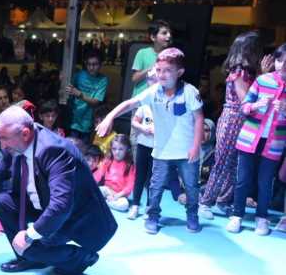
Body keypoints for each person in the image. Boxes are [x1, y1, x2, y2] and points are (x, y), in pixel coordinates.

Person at [0, 105, 117, 275]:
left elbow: (61, 206)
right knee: (2, 202)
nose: (2, 145)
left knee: (41, 254)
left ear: (25, 133)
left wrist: (29, 236)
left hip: (74, 217)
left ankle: (82, 258)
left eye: (4, 139)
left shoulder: (54, 150)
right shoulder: (16, 144)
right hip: (45, 206)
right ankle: (30, 257)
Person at [97, 48, 204, 235]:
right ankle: (153, 215)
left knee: (192, 185)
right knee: (155, 186)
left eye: (167, 70)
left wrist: (195, 146)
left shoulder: (189, 92)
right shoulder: (154, 91)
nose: (162, 74)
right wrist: (110, 116)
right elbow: (130, 103)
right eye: (159, 69)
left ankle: (192, 215)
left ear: (179, 72)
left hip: (187, 151)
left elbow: (199, 118)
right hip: (162, 151)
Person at [199, 31, 272, 219]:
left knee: (235, 165)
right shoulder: (238, 71)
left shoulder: (247, 72)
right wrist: (264, 75)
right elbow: (246, 99)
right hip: (233, 119)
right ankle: (205, 202)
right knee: (222, 162)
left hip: (243, 121)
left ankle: (223, 201)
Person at [226, 43, 286, 236]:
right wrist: (256, 105)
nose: (282, 65)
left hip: (274, 143)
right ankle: (237, 215)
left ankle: (262, 217)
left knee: (265, 182)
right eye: (279, 60)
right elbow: (244, 106)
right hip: (249, 139)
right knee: (242, 179)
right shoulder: (262, 80)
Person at [66, 50, 108, 143]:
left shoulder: (103, 80)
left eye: (95, 64)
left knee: (84, 150)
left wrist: (79, 94)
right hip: (73, 120)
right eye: (89, 64)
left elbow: (96, 101)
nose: (91, 67)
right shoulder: (79, 75)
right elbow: (67, 90)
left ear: (100, 65)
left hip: (88, 121)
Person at [94, 134, 136, 212]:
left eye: (121, 149)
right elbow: (97, 175)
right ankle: (103, 200)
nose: (117, 152)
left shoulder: (130, 166)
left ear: (127, 149)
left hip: (120, 195)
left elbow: (130, 186)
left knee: (124, 205)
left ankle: (104, 202)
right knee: (96, 190)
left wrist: (117, 196)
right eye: (114, 149)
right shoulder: (108, 161)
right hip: (107, 190)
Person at [128, 104, 155, 219]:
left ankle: (149, 207)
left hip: (158, 148)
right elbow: (134, 122)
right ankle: (135, 206)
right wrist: (142, 128)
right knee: (139, 177)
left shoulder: (166, 106)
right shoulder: (145, 106)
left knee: (152, 179)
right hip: (142, 145)